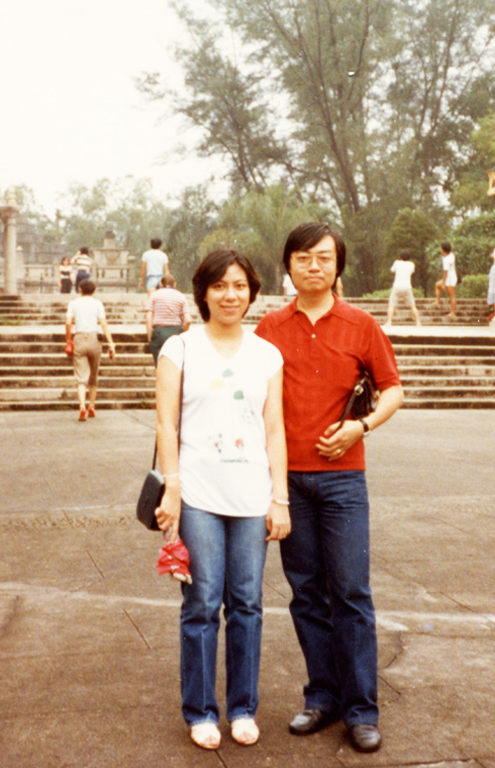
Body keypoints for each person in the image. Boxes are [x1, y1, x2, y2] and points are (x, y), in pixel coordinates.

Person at [255, 222, 404, 755]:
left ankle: (361, 709)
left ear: (338, 265)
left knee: (352, 593)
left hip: (343, 480)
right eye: (302, 257)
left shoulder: (361, 325)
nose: (313, 266)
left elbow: (392, 389)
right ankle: (323, 696)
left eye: (322, 257)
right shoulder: (270, 328)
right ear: (288, 266)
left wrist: (361, 427)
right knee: (306, 593)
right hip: (287, 480)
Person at [154, 249, 290, 751]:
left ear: (252, 292)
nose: (230, 295)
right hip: (199, 495)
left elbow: (274, 428)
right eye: (219, 286)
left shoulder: (267, 354)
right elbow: (166, 422)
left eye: (239, 286)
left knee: (248, 604)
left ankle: (242, 707)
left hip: (253, 495)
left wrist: (280, 498)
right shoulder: (179, 349)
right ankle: (200, 710)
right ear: (203, 293)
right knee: (202, 603)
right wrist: (172, 488)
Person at [65, 279, 116, 421]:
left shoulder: (73, 303)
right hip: (94, 339)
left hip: (79, 338)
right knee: (93, 376)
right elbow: (104, 324)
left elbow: (68, 322)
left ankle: (82, 406)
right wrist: (111, 343)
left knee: (81, 378)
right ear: (93, 291)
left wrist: (68, 339)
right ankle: (91, 406)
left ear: (80, 289)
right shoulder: (97, 303)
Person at [145, 275, 191, 364]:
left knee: (159, 364)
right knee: (175, 364)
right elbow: (188, 320)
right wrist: (182, 333)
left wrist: (150, 337)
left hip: (159, 332)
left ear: (161, 285)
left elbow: (148, 318)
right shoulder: (181, 296)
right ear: (174, 284)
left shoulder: (154, 295)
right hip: (176, 332)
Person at [386, 250, 421, 326]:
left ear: (400, 257)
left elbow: (391, 270)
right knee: (412, 306)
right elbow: (412, 272)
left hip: (397, 287)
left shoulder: (397, 263)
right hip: (407, 287)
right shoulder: (411, 264)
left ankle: (389, 321)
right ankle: (418, 322)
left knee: (391, 305)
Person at [433, 242, 458, 319]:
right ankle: (437, 302)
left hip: (450, 278)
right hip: (451, 276)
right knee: (437, 285)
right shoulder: (451, 255)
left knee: (451, 295)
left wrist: (444, 283)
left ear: (443, 249)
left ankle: (453, 312)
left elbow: (445, 272)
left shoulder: (446, 259)